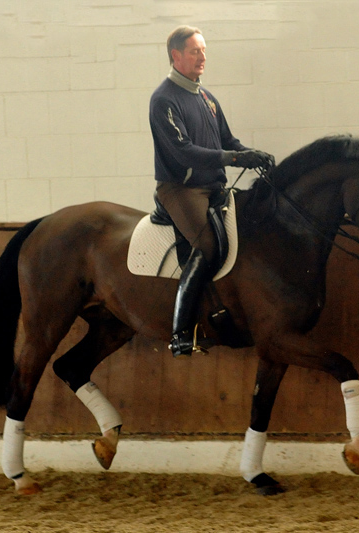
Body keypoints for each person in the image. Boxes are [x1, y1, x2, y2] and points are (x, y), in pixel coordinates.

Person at [149, 25, 274, 358]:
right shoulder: (163, 100)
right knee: (206, 246)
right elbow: (183, 151)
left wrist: (252, 154)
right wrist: (234, 158)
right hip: (181, 188)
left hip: (213, 185)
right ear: (176, 56)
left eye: (204, 50)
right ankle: (180, 333)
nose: (202, 57)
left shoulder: (207, 98)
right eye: (195, 51)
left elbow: (227, 143)